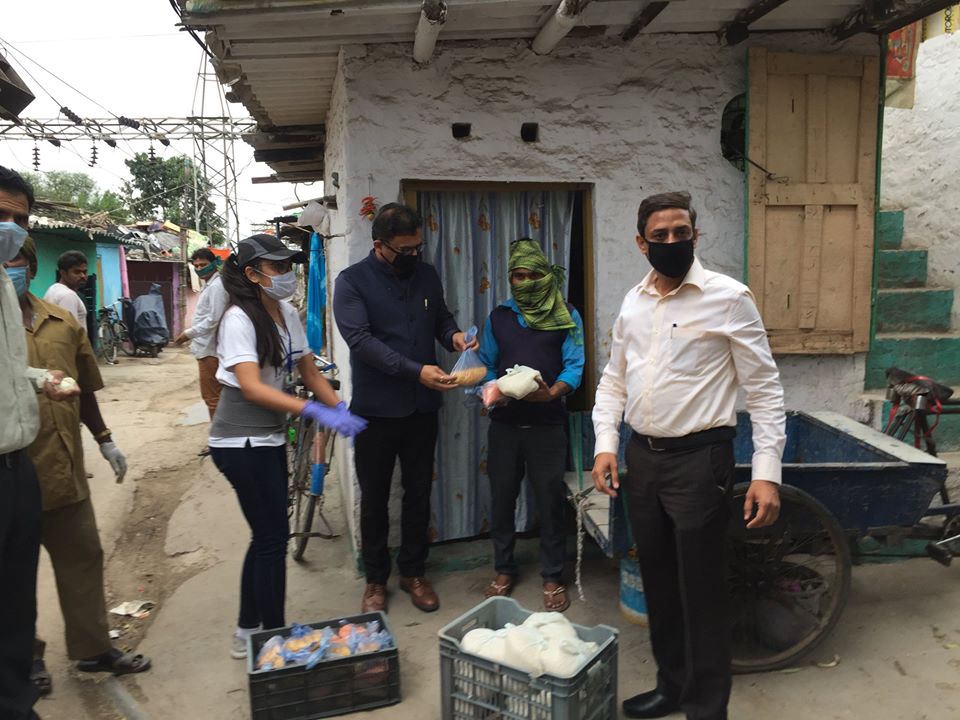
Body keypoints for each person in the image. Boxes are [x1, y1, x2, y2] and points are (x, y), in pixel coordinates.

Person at [592, 192, 786, 720]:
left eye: (682, 233)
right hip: (642, 460)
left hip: (701, 461)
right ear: (642, 243)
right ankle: (672, 685)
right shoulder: (633, 302)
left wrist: (766, 473)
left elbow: (764, 389)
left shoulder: (729, 298)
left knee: (702, 589)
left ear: (695, 236)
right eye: (661, 236)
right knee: (658, 580)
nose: (672, 242)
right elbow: (614, 380)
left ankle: (706, 707)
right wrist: (606, 444)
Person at [5, 238, 149, 696]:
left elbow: (83, 388)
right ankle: (25, 658)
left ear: (32, 267)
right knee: (14, 575)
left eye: (16, 260)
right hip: (12, 473)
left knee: (84, 557)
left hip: (64, 467)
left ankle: (92, 648)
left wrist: (105, 440)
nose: (10, 268)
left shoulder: (63, 321)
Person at [210, 234, 366, 659]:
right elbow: (251, 387)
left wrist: (339, 408)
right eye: (276, 267)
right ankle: (273, 639)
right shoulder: (238, 320)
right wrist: (313, 410)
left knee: (265, 535)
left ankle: (248, 630)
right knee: (273, 539)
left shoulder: (286, 314)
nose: (286, 274)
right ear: (252, 274)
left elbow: (310, 373)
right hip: (240, 441)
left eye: (287, 266)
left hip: (268, 437)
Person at [333, 203, 477, 614]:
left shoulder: (426, 273)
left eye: (418, 247)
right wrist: (416, 371)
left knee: (418, 493)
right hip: (375, 411)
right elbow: (361, 342)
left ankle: (413, 571)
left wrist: (454, 338)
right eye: (405, 249)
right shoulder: (352, 282)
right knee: (375, 498)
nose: (414, 255)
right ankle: (375, 580)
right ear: (380, 244)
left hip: (421, 409)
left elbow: (441, 319)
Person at [0, 166, 78, 720]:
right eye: (0, 215)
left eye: (20, 219)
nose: (10, 228)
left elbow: (7, 367)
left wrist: (37, 378)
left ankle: (16, 701)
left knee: (15, 604)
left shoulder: (6, 290)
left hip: (16, 465)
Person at [477, 239, 585, 612]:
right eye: (518, 276)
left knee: (550, 502)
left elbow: (575, 364)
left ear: (545, 276)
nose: (525, 283)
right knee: (502, 498)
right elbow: (487, 363)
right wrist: (492, 391)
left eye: (532, 276)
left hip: (547, 425)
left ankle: (553, 576)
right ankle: (504, 569)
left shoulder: (566, 314)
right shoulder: (499, 317)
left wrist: (552, 392)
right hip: (505, 426)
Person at [174, 248, 229, 422]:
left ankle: (218, 435)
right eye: (196, 265)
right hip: (206, 347)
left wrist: (188, 334)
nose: (199, 268)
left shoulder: (217, 287)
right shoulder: (209, 285)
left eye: (203, 265)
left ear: (214, 264)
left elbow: (213, 319)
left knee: (212, 397)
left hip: (211, 349)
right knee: (214, 396)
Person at [42, 251, 88, 329]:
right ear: (63, 273)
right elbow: (70, 330)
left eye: (84, 272)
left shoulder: (53, 289)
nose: (82, 276)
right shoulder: (68, 295)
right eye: (77, 272)